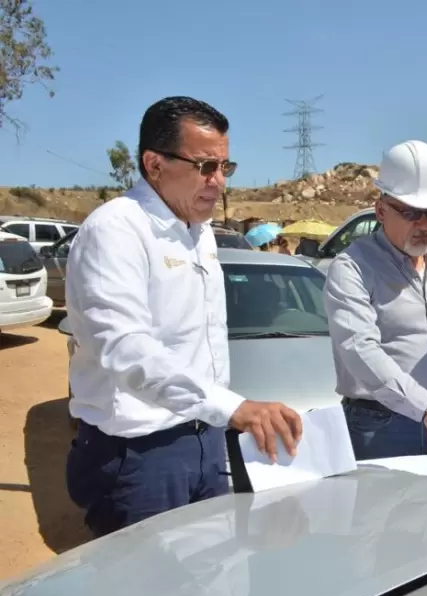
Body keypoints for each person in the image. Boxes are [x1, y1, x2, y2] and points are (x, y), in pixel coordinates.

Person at [64, 96, 303, 538]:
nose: (218, 183)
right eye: (205, 166)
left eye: (225, 168)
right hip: (138, 456)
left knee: (210, 587)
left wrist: (218, 416)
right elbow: (126, 347)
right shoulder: (115, 230)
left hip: (205, 440)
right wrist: (234, 408)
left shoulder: (200, 232)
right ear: (154, 164)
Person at [323, 140, 427, 459]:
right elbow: (360, 349)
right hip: (380, 425)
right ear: (381, 210)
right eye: (411, 213)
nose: (423, 224)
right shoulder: (352, 268)